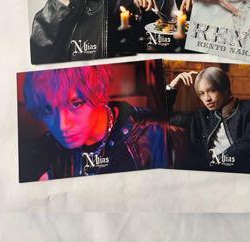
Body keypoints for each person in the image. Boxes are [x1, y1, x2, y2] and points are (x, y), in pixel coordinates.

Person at [21, 65, 170, 180]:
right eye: (48, 109)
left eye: (76, 104)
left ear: (98, 92)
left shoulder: (158, 136)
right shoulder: (44, 149)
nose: (62, 126)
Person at [165, 66, 250, 172]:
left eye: (212, 91)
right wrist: (172, 86)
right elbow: (164, 117)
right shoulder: (201, 116)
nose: (207, 98)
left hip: (244, 168)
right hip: (211, 171)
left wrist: (213, 163)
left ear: (225, 89)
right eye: (202, 93)